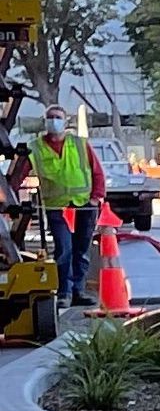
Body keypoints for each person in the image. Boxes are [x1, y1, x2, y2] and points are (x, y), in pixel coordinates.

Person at [9, 107, 107, 309]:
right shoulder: (35, 148)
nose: (54, 121)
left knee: (81, 250)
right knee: (64, 250)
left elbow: (97, 172)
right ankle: (64, 292)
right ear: (44, 121)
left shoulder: (79, 144)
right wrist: (9, 200)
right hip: (57, 208)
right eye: (50, 118)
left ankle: (78, 291)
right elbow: (18, 177)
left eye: (58, 118)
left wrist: (96, 198)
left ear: (65, 121)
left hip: (84, 206)